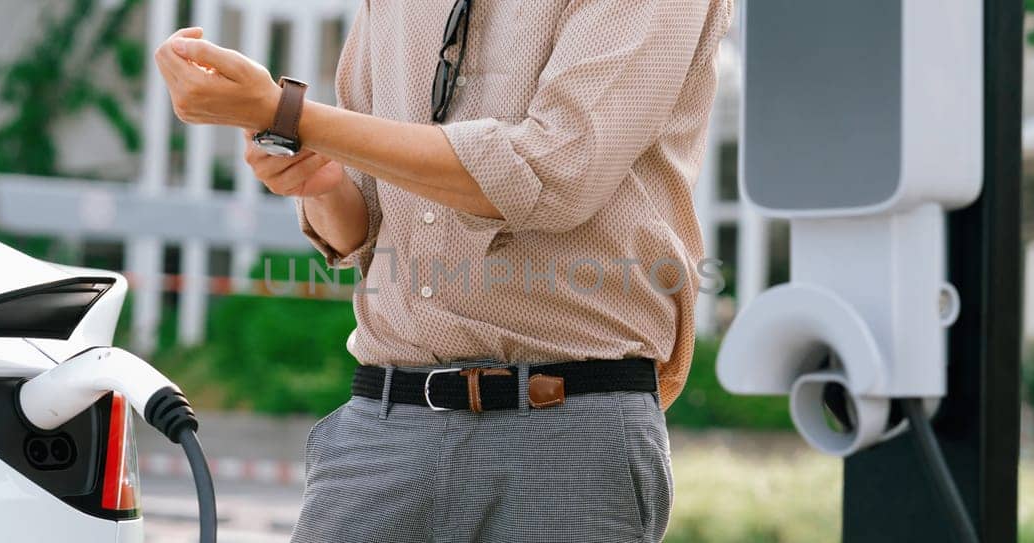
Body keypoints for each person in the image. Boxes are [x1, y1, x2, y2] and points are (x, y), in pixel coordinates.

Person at [154, 0, 732, 540]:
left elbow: (556, 172)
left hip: (569, 434)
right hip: (385, 421)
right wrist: (324, 184)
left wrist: (286, 113)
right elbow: (365, 227)